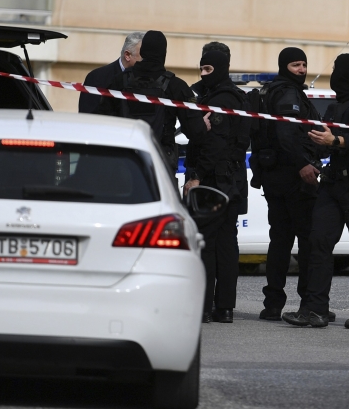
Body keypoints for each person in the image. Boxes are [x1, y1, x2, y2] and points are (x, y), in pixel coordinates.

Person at [283, 53, 349, 330]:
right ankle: (315, 309)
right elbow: (325, 142)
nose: (334, 73)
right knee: (318, 242)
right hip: (333, 185)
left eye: (338, 68)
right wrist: (316, 143)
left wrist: (336, 140)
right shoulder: (336, 106)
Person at [252, 47, 331, 322]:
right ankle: (309, 304)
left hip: (276, 177)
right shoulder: (287, 93)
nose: (302, 69)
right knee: (305, 242)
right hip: (293, 179)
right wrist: (302, 164)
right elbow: (286, 134)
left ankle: (273, 304)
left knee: (280, 242)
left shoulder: (278, 90)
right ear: (285, 66)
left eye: (304, 64)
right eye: (296, 64)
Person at [183, 50, 248, 324]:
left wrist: (196, 176)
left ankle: (207, 307)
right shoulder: (235, 97)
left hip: (215, 182)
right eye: (201, 68)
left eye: (208, 69)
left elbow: (215, 145)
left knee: (209, 244)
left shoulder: (221, 100)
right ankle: (225, 307)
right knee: (226, 244)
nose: (203, 74)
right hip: (231, 181)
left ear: (221, 68)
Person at [94, 31, 205, 175]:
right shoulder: (175, 86)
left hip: (123, 162)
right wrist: (202, 125)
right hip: (161, 166)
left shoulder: (119, 81)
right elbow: (195, 131)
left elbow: (101, 121)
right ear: (163, 53)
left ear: (143, 51)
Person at [79, 32, 144, 113]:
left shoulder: (151, 80)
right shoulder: (98, 77)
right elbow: (87, 116)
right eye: (143, 57)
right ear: (127, 55)